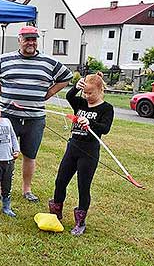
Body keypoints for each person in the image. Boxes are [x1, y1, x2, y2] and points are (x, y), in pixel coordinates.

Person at [0, 26, 72, 203]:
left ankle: (27, 189)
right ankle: (0, 189)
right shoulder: (5, 59)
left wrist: (50, 93)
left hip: (35, 119)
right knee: (4, 154)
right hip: (8, 117)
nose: (31, 42)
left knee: (30, 155)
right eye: (27, 39)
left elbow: (66, 76)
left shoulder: (49, 62)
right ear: (19, 40)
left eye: (34, 39)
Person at [49, 72, 114, 236]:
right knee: (60, 180)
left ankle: (80, 221)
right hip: (73, 148)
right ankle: (56, 213)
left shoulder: (106, 108)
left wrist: (90, 122)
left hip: (89, 152)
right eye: (85, 92)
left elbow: (105, 128)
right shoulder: (80, 103)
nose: (87, 96)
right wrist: (75, 87)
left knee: (83, 187)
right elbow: (70, 97)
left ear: (100, 90)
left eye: (90, 92)